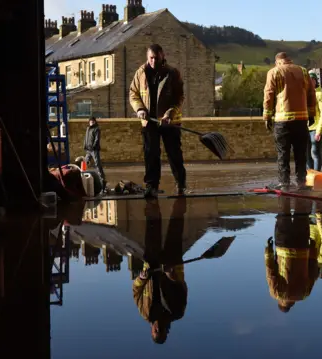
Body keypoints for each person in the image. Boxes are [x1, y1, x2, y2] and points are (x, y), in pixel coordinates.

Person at [129, 44, 186, 198]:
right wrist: (140, 109)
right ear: (148, 57)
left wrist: (169, 114)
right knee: (151, 154)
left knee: (174, 154)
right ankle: (151, 186)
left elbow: (179, 97)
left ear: (162, 56)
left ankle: (181, 184)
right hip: (149, 121)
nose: (153, 61)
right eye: (151, 58)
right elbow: (133, 93)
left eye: (156, 58)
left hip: (169, 121)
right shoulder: (140, 73)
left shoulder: (173, 73)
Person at [133, 198, 188, 344]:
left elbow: (136, 292)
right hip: (173, 264)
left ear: (151, 331)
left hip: (152, 264)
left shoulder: (145, 312)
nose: (159, 329)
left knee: (152, 228)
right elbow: (183, 289)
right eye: (161, 332)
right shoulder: (177, 312)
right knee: (176, 227)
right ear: (167, 332)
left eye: (156, 332)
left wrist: (142, 278)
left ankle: (152, 201)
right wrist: (171, 276)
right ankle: (180, 199)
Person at [263, 52, 316, 191]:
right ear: (289, 60)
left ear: (277, 62)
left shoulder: (274, 72)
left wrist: (267, 116)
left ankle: (284, 182)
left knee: (283, 153)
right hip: (301, 120)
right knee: (301, 153)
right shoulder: (303, 71)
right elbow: (311, 93)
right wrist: (311, 114)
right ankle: (301, 182)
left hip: (282, 120)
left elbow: (269, 94)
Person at [264, 197, 322, 313]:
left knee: (302, 212)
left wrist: (312, 248)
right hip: (284, 246)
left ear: (291, 305)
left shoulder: (304, 294)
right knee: (283, 211)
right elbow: (270, 271)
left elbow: (312, 270)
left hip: (302, 246)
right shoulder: (276, 293)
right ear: (281, 303)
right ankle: (284, 183)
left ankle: (301, 183)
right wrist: (268, 251)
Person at [307, 71, 322, 172]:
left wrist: (319, 131)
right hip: (307, 128)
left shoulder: (319, 94)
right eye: (309, 80)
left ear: (316, 81)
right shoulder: (305, 94)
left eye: (312, 80)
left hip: (316, 128)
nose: (310, 82)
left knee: (314, 152)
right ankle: (309, 176)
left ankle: (316, 176)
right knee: (306, 154)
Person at [83, 116, 106, 185]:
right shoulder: (88, 129)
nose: (91, 122)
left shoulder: (97, 129)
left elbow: (97, 139)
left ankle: (102, 179)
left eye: (93, 121)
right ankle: (82, 177)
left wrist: (93, 147)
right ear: (89, 122)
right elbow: (86, 138)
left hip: (94, 150)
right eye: (90, 121)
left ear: (95, 122)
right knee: (85, 162)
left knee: (97, 164)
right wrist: (85, 146)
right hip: (88, 150)